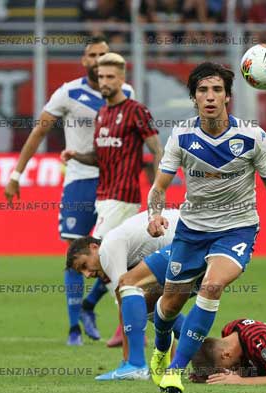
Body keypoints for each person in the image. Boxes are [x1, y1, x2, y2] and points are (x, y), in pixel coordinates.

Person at [145, 62, 266, 393]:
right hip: (192, 232)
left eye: (217, 90)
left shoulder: (253, 138)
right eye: (202, 90)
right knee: (167, 309)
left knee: (211, 287)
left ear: (228, 97)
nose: (210, 97)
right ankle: (162, 345)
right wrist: (154, 214)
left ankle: (176, 370)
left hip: (238, 229)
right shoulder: (181, 135)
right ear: (194, 98)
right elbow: (159, 187)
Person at [4, 37, 135, 346]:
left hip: (115, 183)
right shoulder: (68, 93)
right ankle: (74, 326)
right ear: (84, 60)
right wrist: (16, 174)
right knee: (76, 253)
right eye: (93, 55)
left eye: (104, 54)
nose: (99, 59)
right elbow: (39, 131)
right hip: (79, 180)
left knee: (114, 252)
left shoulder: (125, 92)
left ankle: (91, 305)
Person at [61, 51, 162, 347]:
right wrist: (76, 155)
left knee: (101, 259)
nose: (104, 82)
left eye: (109, 77)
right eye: (100, 77)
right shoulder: (102, 115)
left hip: (123, 196)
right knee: (120, 266)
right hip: (103, 196)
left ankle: (130, 327)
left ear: (121, 78)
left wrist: (158, 185)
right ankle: (132, 323)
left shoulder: (135, 111)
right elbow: (101, 157)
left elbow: (157, 149)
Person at [66, 209, 193, 380]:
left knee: (131, 294)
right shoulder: (125, 250)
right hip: (195, 241)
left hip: (185, 240)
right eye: (81, 272)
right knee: (152, 307)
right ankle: (202, 352)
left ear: (94, 247)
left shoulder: (107, 249)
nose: (87, 274)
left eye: (84, 265)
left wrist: (127, 360)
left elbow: (125, 298)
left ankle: (136, 364)